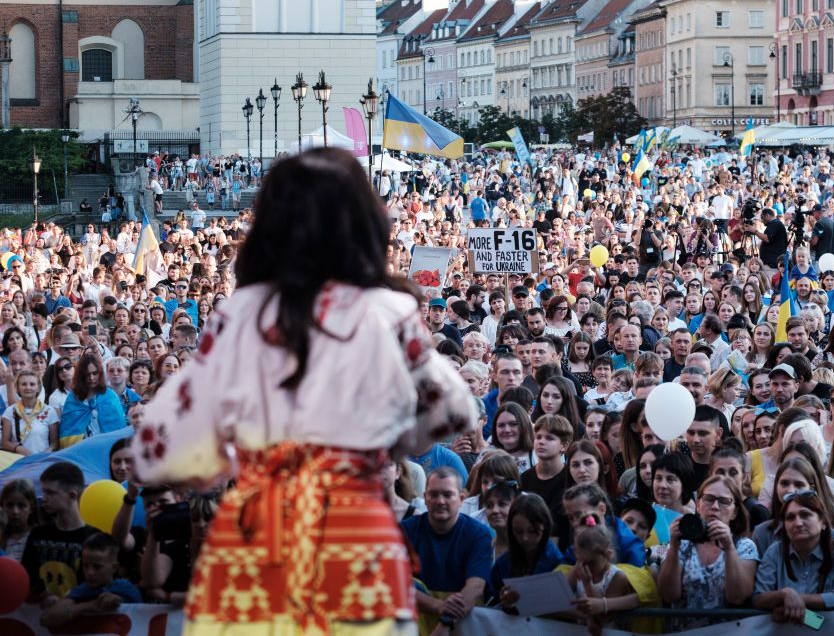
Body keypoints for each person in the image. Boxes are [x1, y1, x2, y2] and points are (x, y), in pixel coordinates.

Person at [129, 148, 476, 634]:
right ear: (364, 222)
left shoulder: (241, 314)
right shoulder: (387, 310)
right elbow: (457, 413)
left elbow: (157, 450)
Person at [655, 476, 759, 629]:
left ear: (735, 512)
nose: (715, 506)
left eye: (724, 501)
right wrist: (674, 547)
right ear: (698, 505)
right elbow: (668, 595)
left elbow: (737, 597)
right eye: (709, 499)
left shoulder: (744, 546)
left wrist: (729, 547)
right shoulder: (682, 545)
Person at [402, 468, 491, 632]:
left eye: (448, 495)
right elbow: (398, 583)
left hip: (464, 625)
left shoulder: (478, 534)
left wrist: (445, 622)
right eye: (433, 494)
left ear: (461, 498)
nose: (440, 501)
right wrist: (439, 606)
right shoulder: (406, 531)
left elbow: (476, 587)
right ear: (425, 498)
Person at [752, 490, 834, 622]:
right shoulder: (775, 551)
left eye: (805, 515)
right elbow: (758, 598)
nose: (798, 523)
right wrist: (785, 594)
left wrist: (794, 600)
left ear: (823, 522)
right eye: (790, 517)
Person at [21, 462, 100, 601]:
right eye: (43, 491)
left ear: (72, 495)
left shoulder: (94, 538)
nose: (44, 497)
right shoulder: (37, 534)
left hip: (82, 618)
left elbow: (100, 589)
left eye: (50, 492)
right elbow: (25, 582)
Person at [40, 532, 143, 628]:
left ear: (114, 568)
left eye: (97, 567)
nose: (90, 572)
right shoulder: (80, 591)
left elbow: (142, 618)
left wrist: (120, 602)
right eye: (85, 566)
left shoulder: (128, 590)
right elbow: (46, 620)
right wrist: (90, 605)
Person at [492, 493, 564, 604]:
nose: (525, 538)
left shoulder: (557, 562)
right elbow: (490, 598)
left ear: (544, 525)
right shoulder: (502, 564)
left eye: (532, 531)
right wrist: (502, 600)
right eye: (518, 531)